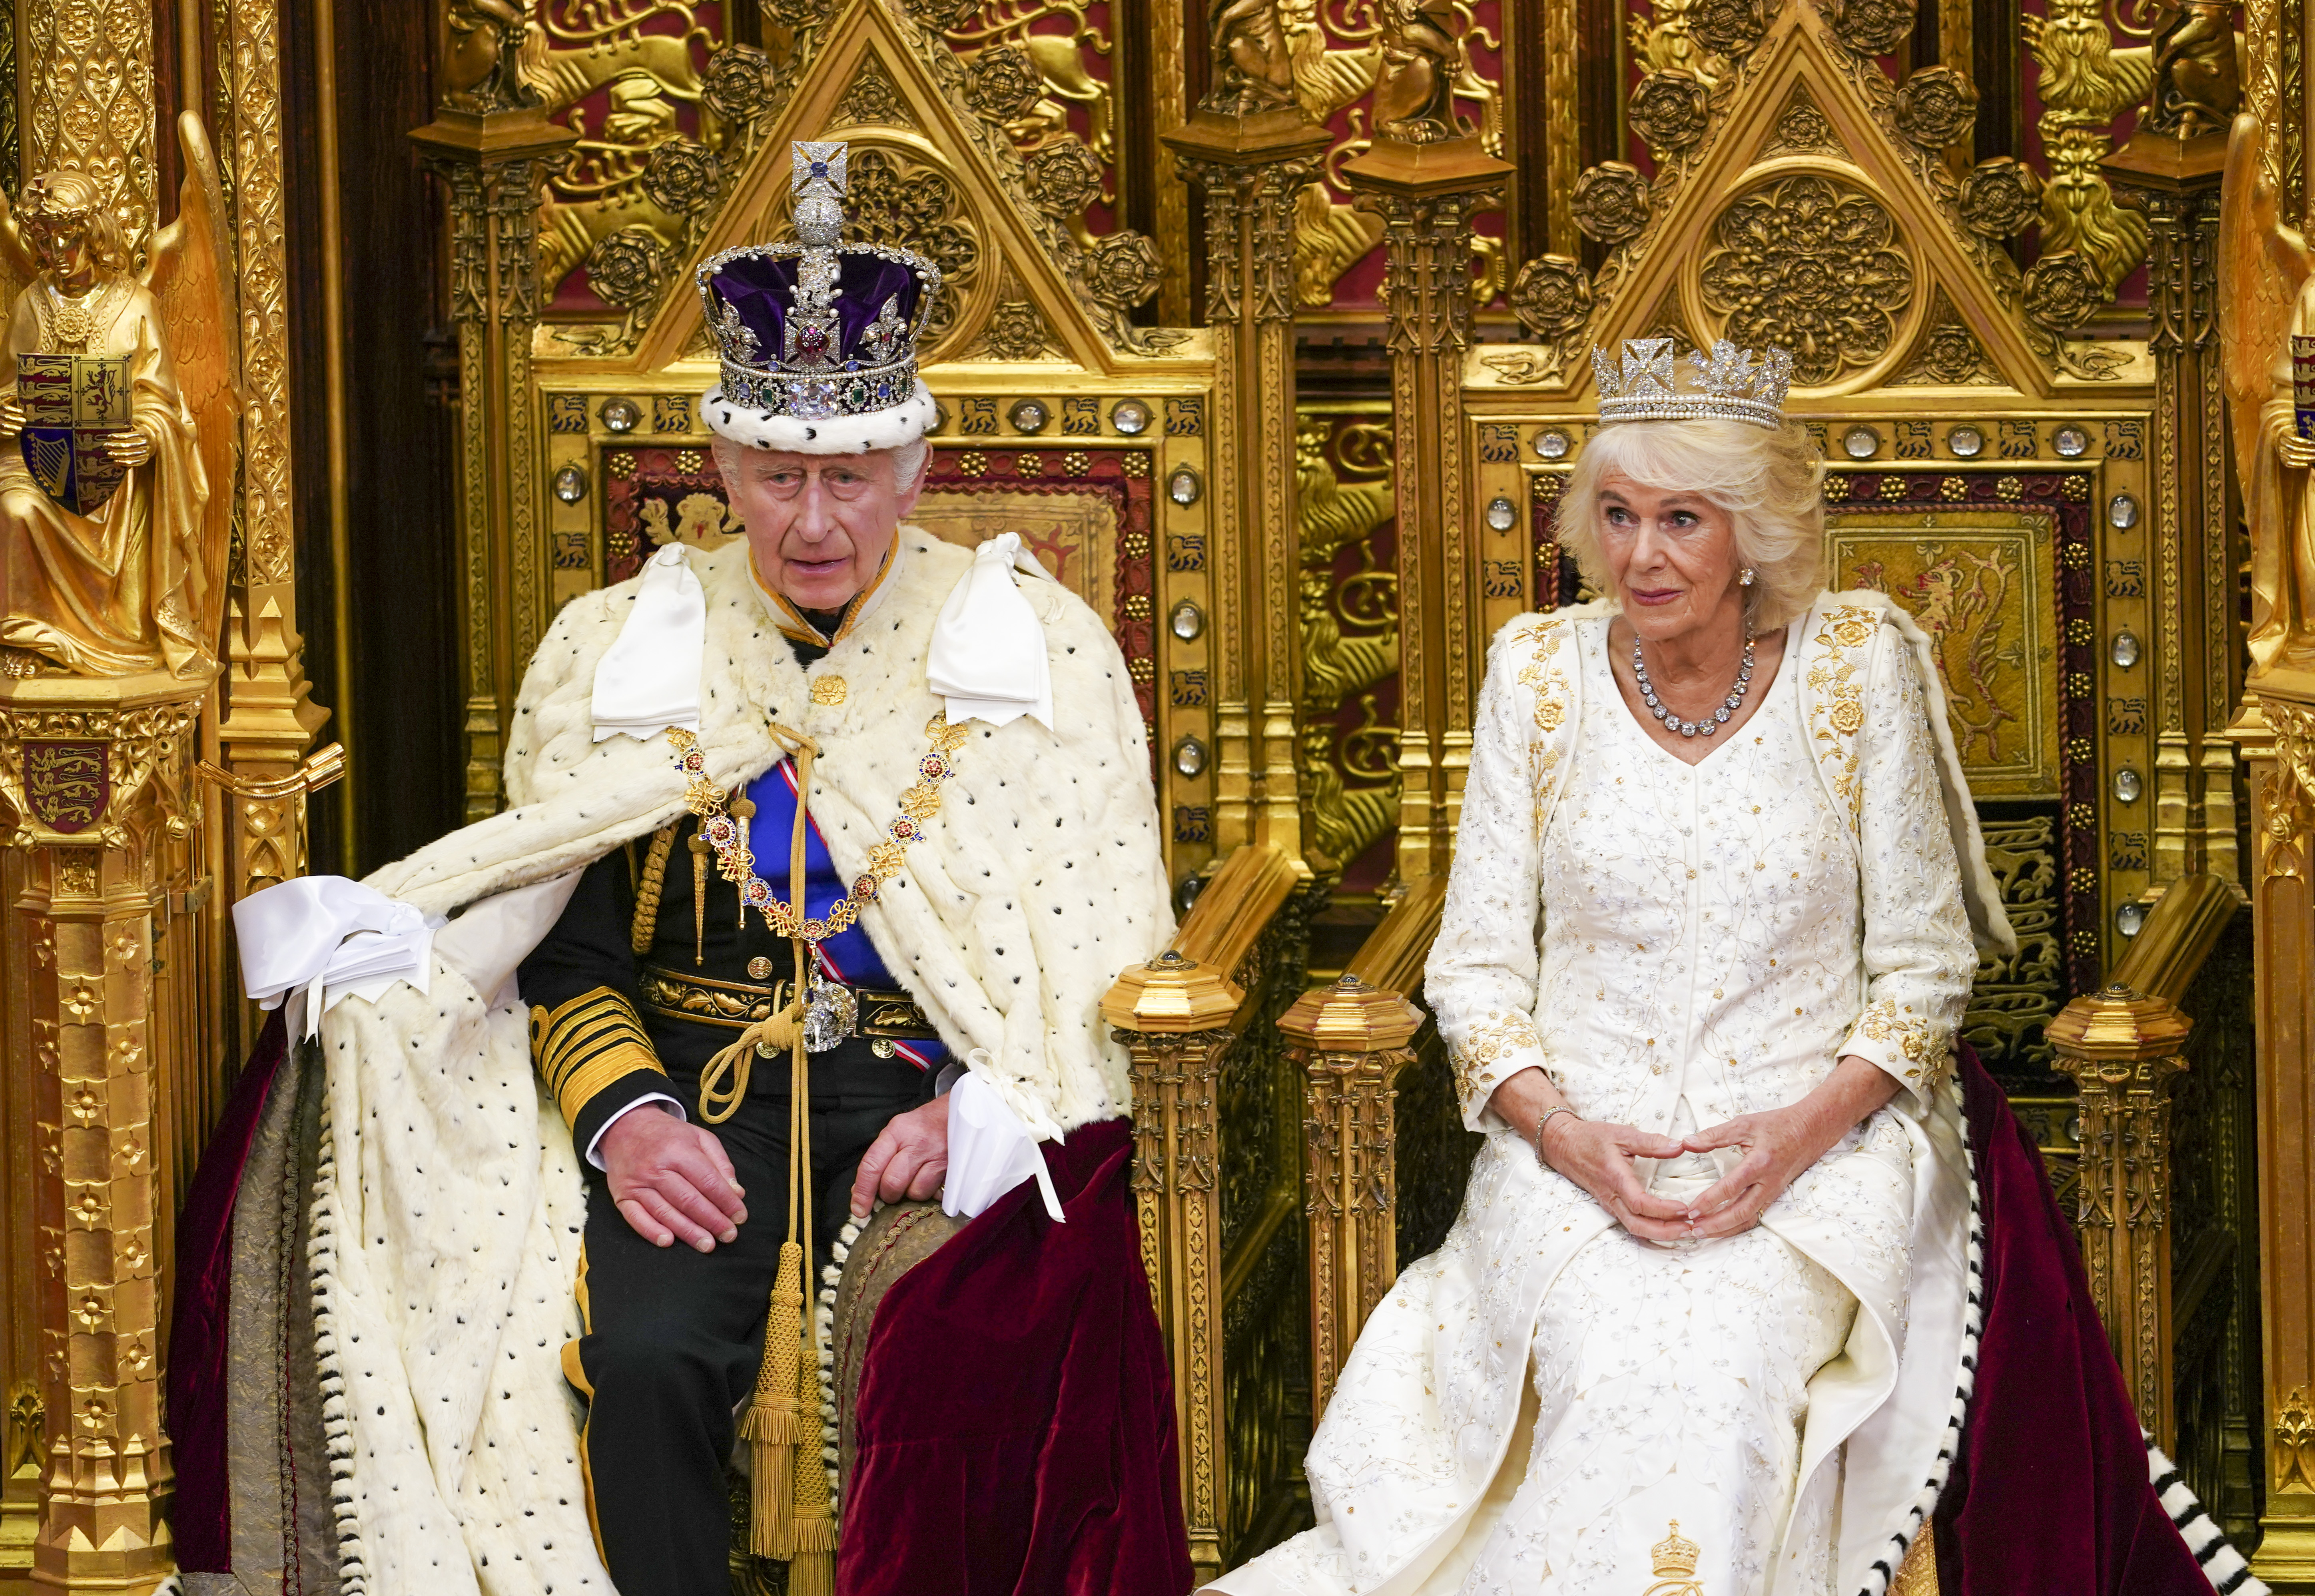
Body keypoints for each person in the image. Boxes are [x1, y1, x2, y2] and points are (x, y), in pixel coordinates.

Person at [190, 139, 1189, 1596]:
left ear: (913, 470)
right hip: (695, 1105)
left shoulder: (1032, 649)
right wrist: (628, 1124)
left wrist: (993, 1098)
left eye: (850, 477)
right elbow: (561, 946)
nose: (814, 523)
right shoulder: (621, 652)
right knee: (641, 1359)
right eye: (779, 476)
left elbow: (1087, 945)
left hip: (923, 1102)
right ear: (722, 468)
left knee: (960, 1347)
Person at [1208, 339, 2259, 1596]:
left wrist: (1796, 1139)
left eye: (1681, 519)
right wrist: (1569, 1136)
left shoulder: (1853, 668)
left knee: (1722, 1360)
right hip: (1579, 1158)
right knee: (1609, 1350)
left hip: (1821, 1155)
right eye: (1617, 515)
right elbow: (1476, 976)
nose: (1641, 555)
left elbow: (1924, 971)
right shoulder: (1534, 677)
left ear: (1752, 532)